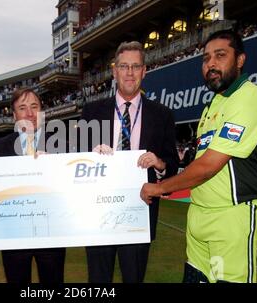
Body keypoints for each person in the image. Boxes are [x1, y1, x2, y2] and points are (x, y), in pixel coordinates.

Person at [141, 30, 257, 283]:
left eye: (220, 56)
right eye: (206, 59)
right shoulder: (212, 105)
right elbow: (197, 164)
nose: (211, 64)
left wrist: (159, 188)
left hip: (231, 217)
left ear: (240, 60)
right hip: (198, 216)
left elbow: (209, 165)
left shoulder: (250, 97)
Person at [79, 41, 179, 283]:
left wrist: (159, 162)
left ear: (144, 71)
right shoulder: (91, 112)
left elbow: (173, 164)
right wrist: (90, 156)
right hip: (98, 213)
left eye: (136, 66)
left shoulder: (162, 114)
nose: (130, 73)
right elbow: (76, 161)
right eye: (124, 66)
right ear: (115, 71)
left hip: (138, 213)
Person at [0, 87, 66, 283]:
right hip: (13, 236)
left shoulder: (63, 145)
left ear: (42, 112)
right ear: (14, 115)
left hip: (52, 235)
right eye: (23, 108)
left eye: (34, 106)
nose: (30, 113)